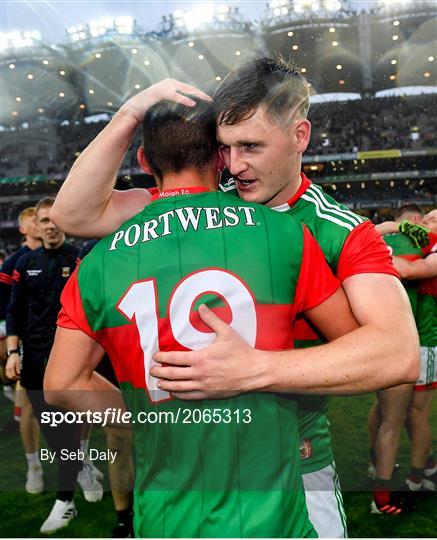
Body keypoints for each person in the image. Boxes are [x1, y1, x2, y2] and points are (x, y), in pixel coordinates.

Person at [49, 58, 419, 537]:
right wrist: (135, 109)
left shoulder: (341, 233)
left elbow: (397, 354)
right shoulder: (204, 200)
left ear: (300, 136)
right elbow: (72, 213)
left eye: (251, 146)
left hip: (296, 465)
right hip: (191, 458)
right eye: (224, 148)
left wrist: (253, 370)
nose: (235, 165)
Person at [5, 197, 103, 534]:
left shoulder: (78, 256)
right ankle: (76, 469)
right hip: (33, 357)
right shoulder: (25, 261)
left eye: (53, 219)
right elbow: (15, 309)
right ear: (37, 225)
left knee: (74, 423)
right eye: (43, 220)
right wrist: (12, 352)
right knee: (53, 428)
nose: (49, 225)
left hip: (74, 356)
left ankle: (68, 495)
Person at [368, 205, 423, 514]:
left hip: (373, 336)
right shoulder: (418, 242)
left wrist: (387, 225)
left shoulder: (374, 237)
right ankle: (382, 499)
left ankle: (373, 464)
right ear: (414, 220)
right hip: (401, 338)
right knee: (394, 420)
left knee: (380, 408)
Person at [0, 207, 42, 493]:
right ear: (24, 229)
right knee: (28, 403)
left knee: (72, 404)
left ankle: (80, 460)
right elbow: (9, 306)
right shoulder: (15, 263)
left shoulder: (69, 254)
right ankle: (34, 466)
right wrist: (10, 341)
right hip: (29, 341)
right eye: (35, 222)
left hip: (60, 338)